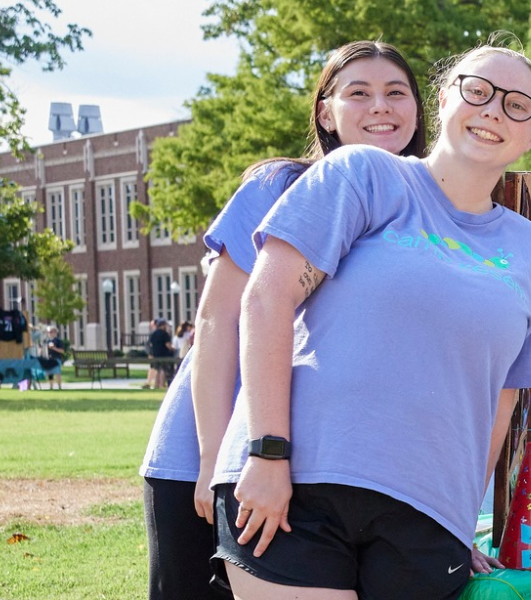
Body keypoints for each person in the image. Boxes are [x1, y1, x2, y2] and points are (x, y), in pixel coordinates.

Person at [212, 43, 531, 600]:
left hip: (426, 513)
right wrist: (266, 452)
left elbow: (503, 398)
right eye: (478, 91)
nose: (494, 110)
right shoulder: (364, 173)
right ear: (444, 100)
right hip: (298, 487)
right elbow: (266, 300)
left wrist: (462, 517)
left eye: (517, 105)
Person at [136, 41, 431, 600]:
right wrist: (210, 458)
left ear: (418, 110)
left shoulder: (426, 211)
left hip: (322, 467)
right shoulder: (280, 185)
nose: (381, 107)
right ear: (326, 112)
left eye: (397, 93)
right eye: (358, 93)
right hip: (217, 450)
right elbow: (219, 321)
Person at [147, 319, 175, 389]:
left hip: (156, 354)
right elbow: (167, 345)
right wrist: (173, 349)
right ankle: (161, 384)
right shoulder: (164, 334)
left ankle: (156, 384)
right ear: (163, 325)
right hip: (163, 354)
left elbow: (150, 344)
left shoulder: (153, 334)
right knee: (163, 370)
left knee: (157, 370)